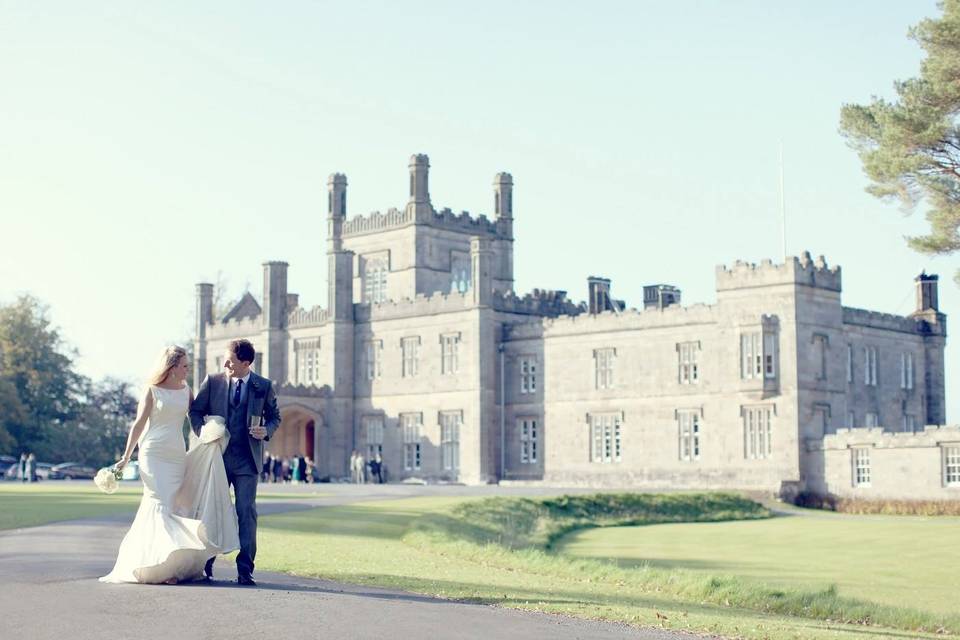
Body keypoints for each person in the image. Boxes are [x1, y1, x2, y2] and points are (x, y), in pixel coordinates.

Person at [101, 346, 216, 584]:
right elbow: (139, 424)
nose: (187, 369)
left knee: (172, 505)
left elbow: (196, 419)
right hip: (152, 452)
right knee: (160, 503)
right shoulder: (152, 391)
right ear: (172, 367)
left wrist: (210, 434)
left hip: (176, 454)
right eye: (184, 365)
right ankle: (160, 568)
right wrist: (125, 456)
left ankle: (170, 565)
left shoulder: (186, 391)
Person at [189, 339, 281, 586]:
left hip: (247, 462)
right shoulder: (213, 381)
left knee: (246, 513)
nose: (226, 363)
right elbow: (195, 412)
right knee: (211, 511)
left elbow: (275, 417)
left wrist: (266, 430)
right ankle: (205, 563)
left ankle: (245, 569)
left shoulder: (264, 386)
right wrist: (204, 433)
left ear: (246, 363)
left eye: (231, 359)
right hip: (217, 458)